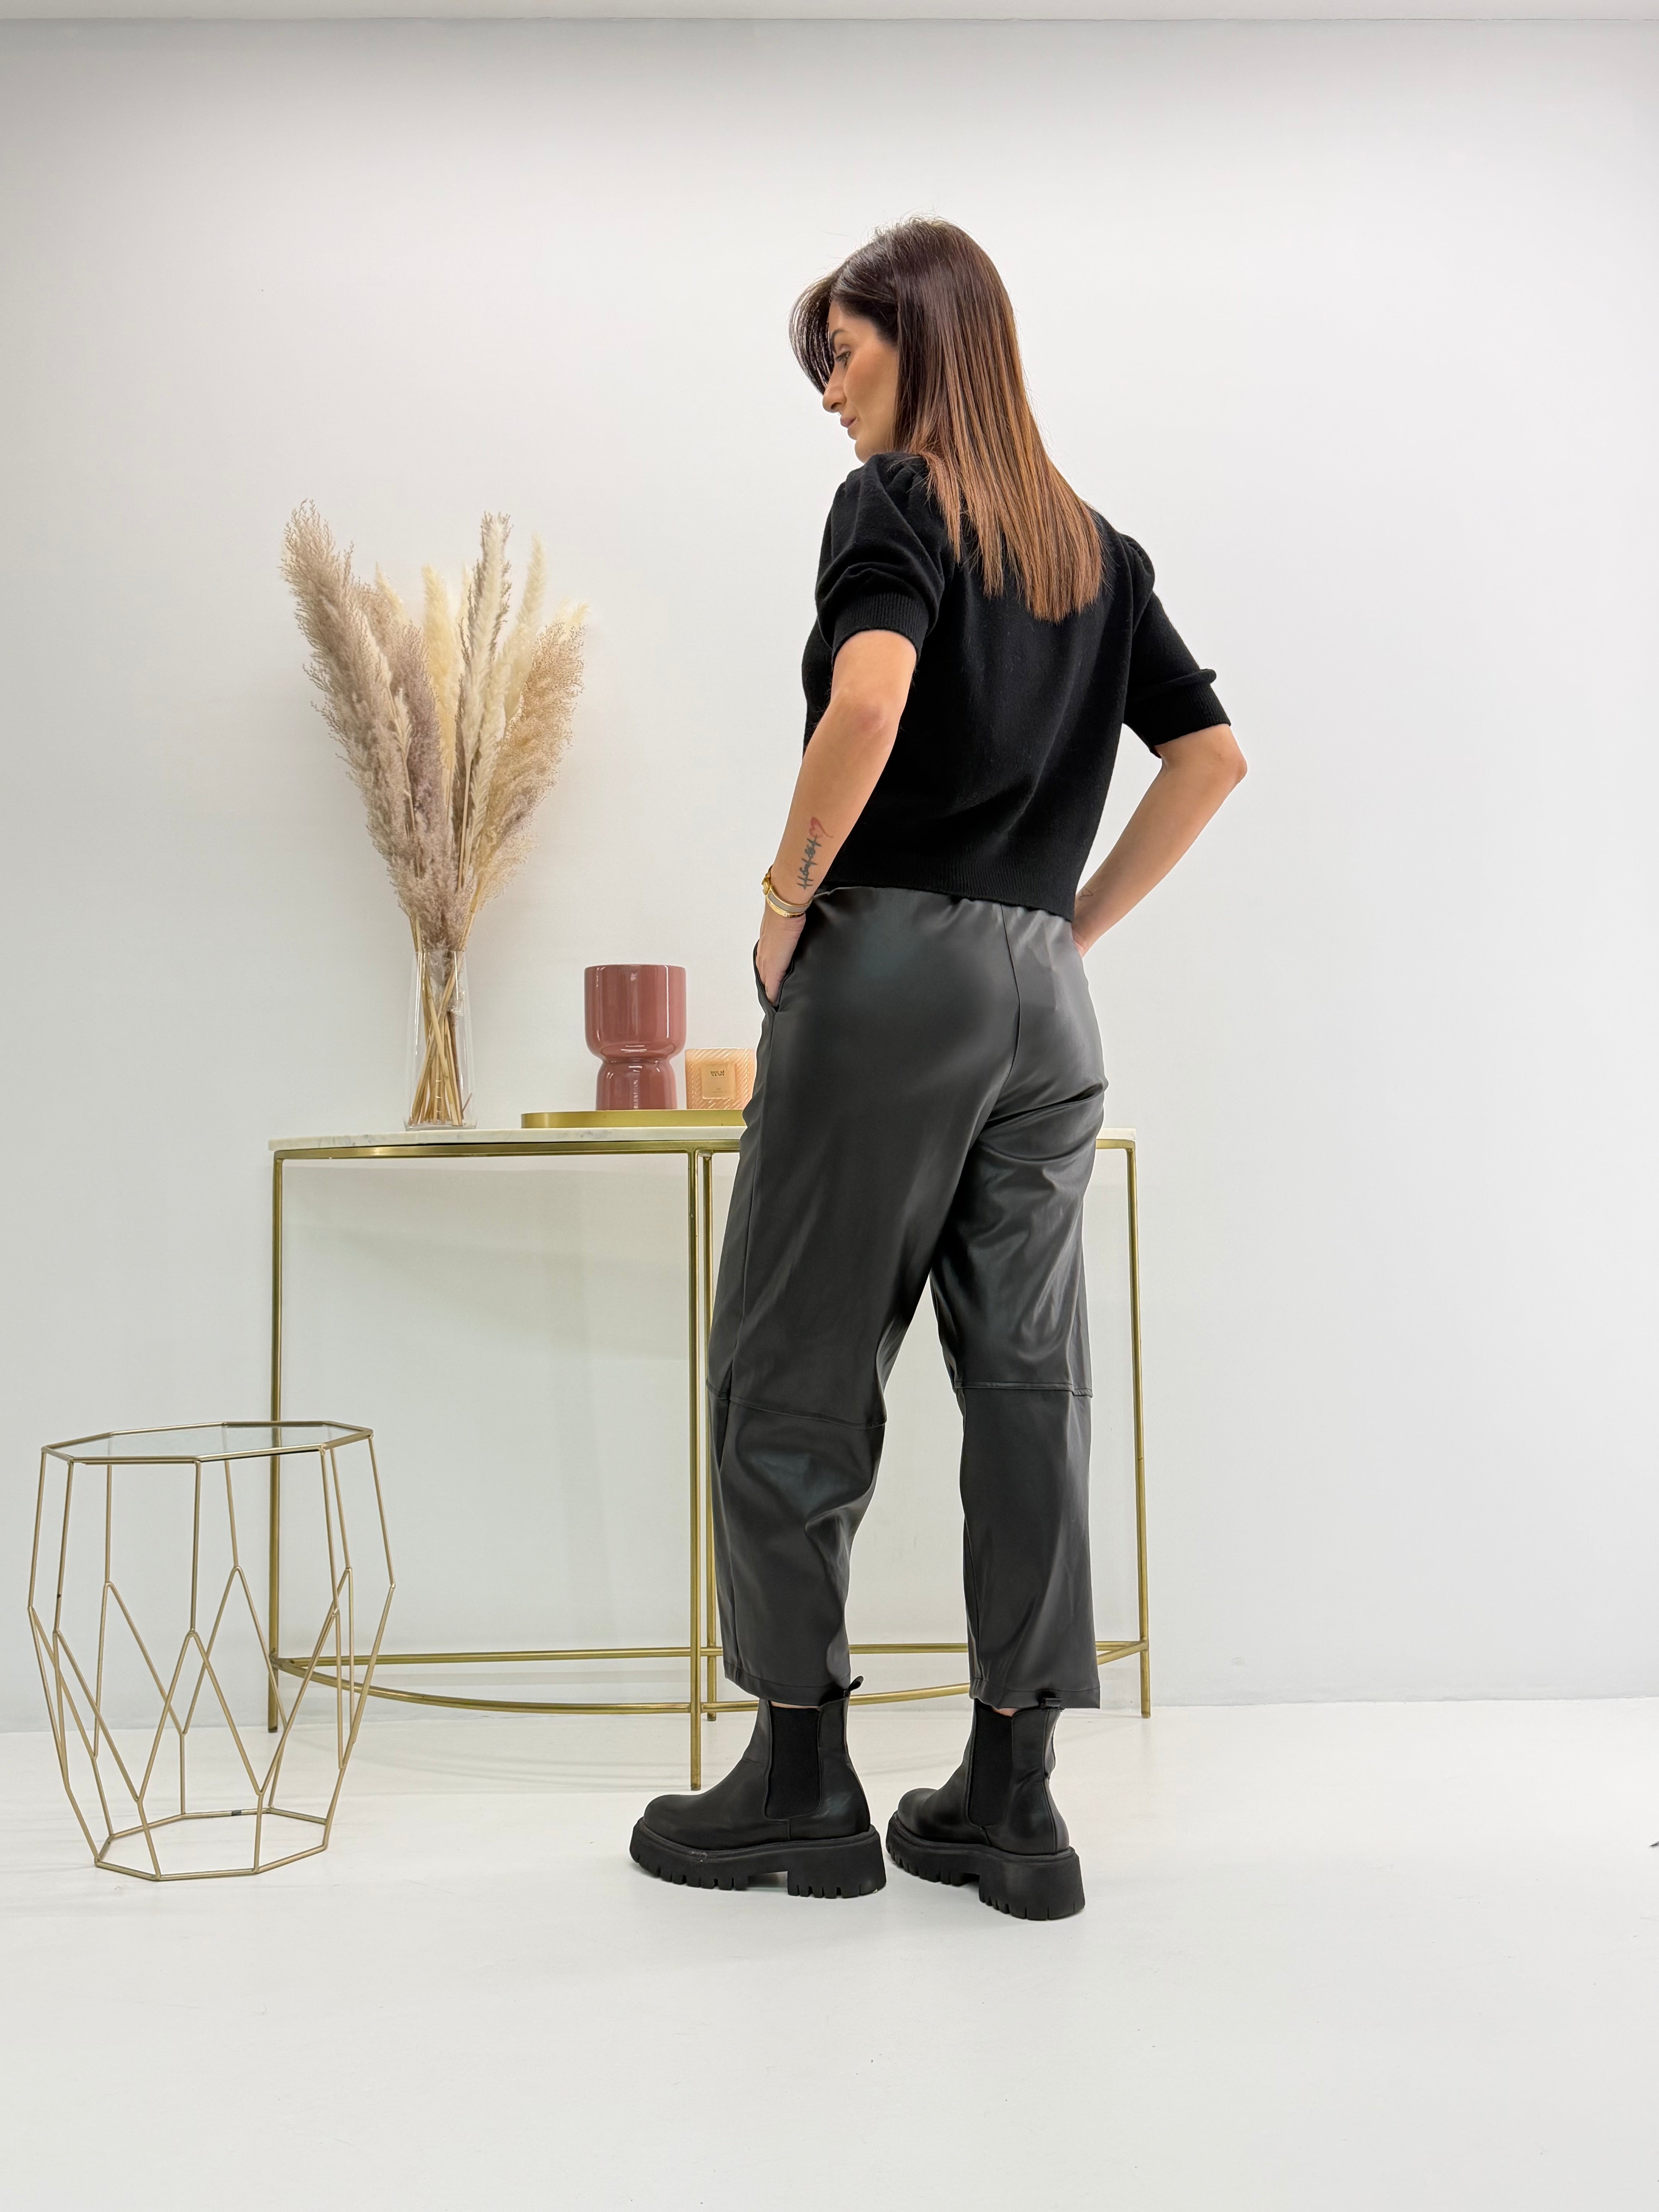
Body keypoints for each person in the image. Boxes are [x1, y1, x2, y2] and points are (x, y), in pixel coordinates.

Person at [630, 217, 1246, 1920]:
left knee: (790, 1365)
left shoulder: (894, 503)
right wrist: (1064, 931)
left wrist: (783, 905)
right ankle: (1013, 1800)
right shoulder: (1097, 550)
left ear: (926, 336)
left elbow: (869, 703)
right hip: (1045, 1007)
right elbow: (1209, 758)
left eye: (843, 353)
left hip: (889, 974)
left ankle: (801, 1783)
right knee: (1031, 1386)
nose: (828, 393)